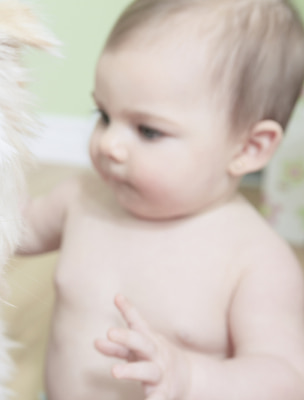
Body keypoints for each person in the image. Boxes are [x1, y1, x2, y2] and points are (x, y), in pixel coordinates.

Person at [18, 0, 304, 399]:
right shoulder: (82, 197)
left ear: (249, 148)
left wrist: (192, 377)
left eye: (148, 131)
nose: (110, 143)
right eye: (104, 115)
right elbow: (12, 231)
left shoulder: (256, 261)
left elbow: (286, 377)